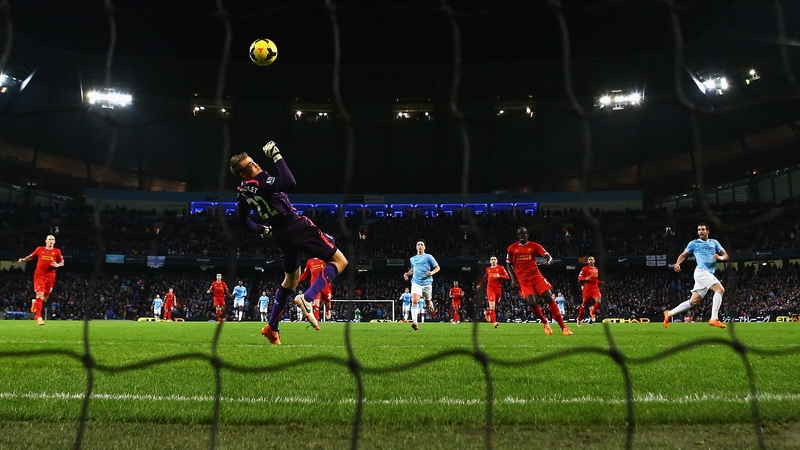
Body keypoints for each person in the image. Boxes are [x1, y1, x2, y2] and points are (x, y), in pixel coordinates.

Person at [230, 141, 348, 345]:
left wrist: (263, 229)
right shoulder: (261, 180)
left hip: (279, 234)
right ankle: (308, 297)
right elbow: (289, 181)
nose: (256, 165)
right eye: (250, 165)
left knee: (290, 281)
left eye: (254, 161)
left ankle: (272, 328)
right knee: (340, 261)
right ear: (243, 174)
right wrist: (276, 155)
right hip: (295, 226)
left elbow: (243, 222)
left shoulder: (242, 192)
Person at [507, 227, 572, 336]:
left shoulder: (534, 246)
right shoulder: (512, 248)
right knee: (531, 302)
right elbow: (508, 263)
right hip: (522, 279)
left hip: (536, 276)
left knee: (549, 297)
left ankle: (564, 328)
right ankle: (545, 322)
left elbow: (548, 256)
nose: (521, 236)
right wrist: (513, 278)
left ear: (528, 235)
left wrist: (548, 261)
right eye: (519, 235)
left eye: (523, 234)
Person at [664, 223, 729, 329]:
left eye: (703, 229)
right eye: (699, 230)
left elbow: (726, 255)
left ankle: (669, 314)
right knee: (720, 290)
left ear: (708, 231)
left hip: (708, 273)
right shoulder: (693, 243)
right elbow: (683, 255)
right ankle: (714, 318)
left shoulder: (714, 242)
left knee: (693, 301)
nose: (701, 232)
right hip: (701, 272)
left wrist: (720, 258)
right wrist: (677, 264)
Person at [18, 235, 64, 326]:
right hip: (39, 276)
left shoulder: (57, 251)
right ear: (46, 241)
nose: (51, 241)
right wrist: (24, 259)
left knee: (44, 298)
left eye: (53, 240)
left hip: (50, 277)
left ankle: (35, 302)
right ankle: (38, 317)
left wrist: (58, 265)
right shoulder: (40, 249)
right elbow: (31, 256)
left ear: (54, 242)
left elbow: (62, 262)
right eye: (49, 239)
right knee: (39, 294)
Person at [403, 240, 439, 331]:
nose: (420, 246)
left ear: (424, 247)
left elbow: (437, 267)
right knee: (414, 300)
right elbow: (413, 269)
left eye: (421, 245)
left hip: (427, 284)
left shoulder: (428, 257)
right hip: (416, 283)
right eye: (418, 244)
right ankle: (415, 322)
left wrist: (432, 272)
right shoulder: (413, 259)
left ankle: (431, 307)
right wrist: (407, 273)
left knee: (427, 304)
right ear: (416, 247)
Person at [477, 256, 510, 328]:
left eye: (494, 259)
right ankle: (494, 322)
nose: (493, 260)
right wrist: (480, 284)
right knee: (492, 307)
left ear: (497, 261)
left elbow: (507, 277)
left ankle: (487, 312)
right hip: (490, 289)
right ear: (490, 261)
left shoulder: (501, 268)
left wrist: (499, 276)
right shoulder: (488, 269)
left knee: (494, 307)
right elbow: (485, 277)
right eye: (491, 259)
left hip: (498, 290)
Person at [298, 257, 333, 322]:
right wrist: (298, 281)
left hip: (325, 284)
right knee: (316, 304)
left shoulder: (325, 260)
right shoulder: (309, 261)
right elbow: (305, 274)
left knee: (328, 305)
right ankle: (316, 322)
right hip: (315, 285)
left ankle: (327, 310)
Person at [577, 256, 602, 326]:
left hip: (595, 289)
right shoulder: (585, 268)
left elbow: (595, 279)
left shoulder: (596, 269)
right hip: (587, 289)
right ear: (588, 261)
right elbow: (579, 277)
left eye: (592, 259)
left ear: (594, 261)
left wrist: (600, 282)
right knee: (584, 304)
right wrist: (586, 278)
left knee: (599, 301)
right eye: (589, 260)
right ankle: (579, 318)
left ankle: (592, 313)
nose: (590, 261)